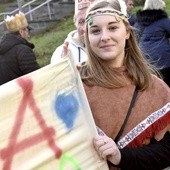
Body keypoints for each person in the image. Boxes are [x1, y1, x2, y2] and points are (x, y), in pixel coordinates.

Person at [62, 0, 170, 169]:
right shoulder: (75, 83)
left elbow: (166, 150)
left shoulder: (153, 87)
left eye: (112, 28)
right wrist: (59, 81)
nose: (104, 37)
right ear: (88, 37)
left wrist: (121, 156)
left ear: (126, 31)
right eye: (95, 31)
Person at [134, 0, 170, 87]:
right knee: (167, 83)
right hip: (163, 58)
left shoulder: (138, 21)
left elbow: (135, 35)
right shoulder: (163, 20)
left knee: (151, 84)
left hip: (144, 56)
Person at [0, 11, 40, 85]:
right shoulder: (23, 50)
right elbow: (35, 75)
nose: (29, 35)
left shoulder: (2, 50)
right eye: (28, 31)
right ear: (21, 31)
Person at [50, 0, 95, 65]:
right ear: (75, 25)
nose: (85, 28)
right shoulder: (60, 53)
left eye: (90, 21)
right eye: (81, 22)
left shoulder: (108, 45)